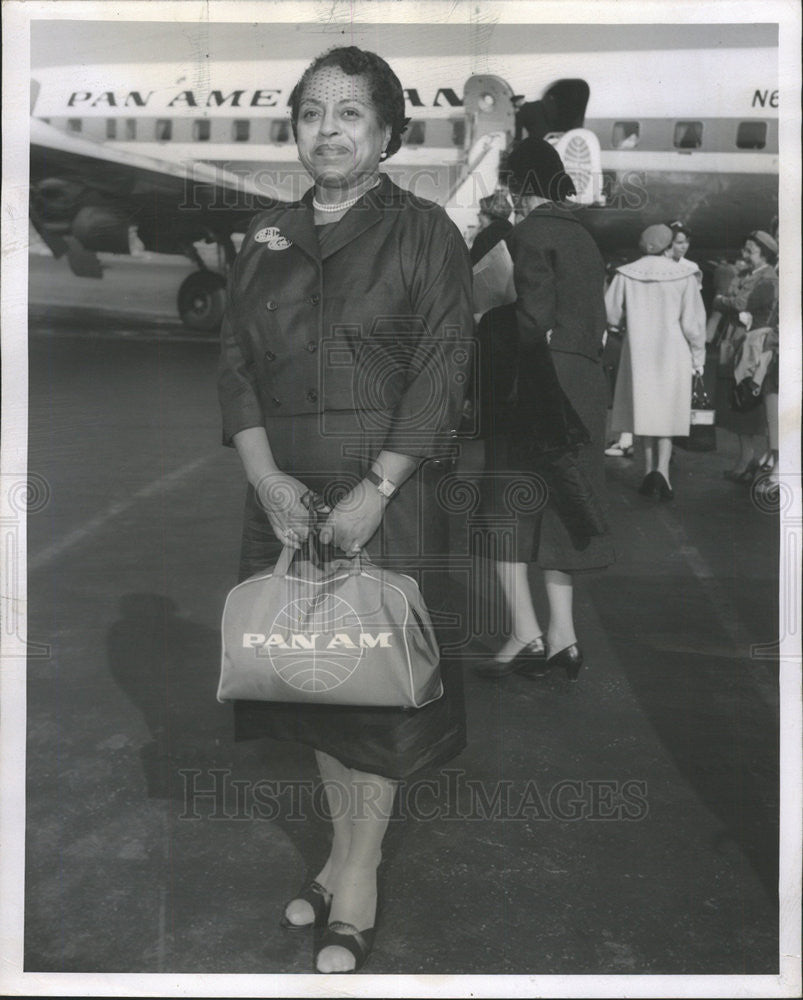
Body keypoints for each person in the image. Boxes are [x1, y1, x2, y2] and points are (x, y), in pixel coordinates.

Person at [217, 46, 473, 974]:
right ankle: (339, 853)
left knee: (376, 695)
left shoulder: (426, 233)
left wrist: (381, 486)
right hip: (286, 498)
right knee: (315, 685)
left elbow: (443, 369)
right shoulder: (265, 234)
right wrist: (266, 480)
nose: (327, 129)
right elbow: (236, 366)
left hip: (386, 495)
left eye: (350, 114)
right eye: (311, 112)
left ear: (388, 133)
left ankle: (356, 879)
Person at [475, 136, 614, 682]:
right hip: (584, 385)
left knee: (504, 505)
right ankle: (565, 636)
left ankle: (524, 632)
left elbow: (530, 322)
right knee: (564, 509)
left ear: (521, 186)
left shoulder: (529, 235)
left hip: (534, 386)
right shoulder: (585, 237)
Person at [605, 224, 706, 500]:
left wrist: (627, 324)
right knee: (667, 415)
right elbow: (693, 324)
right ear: (667, 245)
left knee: (644, 413)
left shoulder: (626, 274)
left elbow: (611, 314)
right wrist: (698, 358)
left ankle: (648, 472)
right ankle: (664, 474)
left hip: (638, 351)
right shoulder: (684, 275)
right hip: (673, 352)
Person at [711, 230, 779, 483]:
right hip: (743, 343)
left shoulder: (766, 279)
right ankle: (747, 457)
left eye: (750, 250)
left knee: (746, 400)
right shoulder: (754, 275)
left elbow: (740, 304)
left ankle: (749, 458)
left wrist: (719, 300)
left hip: (753, 346)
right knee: (739, 402)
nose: (745, 254)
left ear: (765, 255)